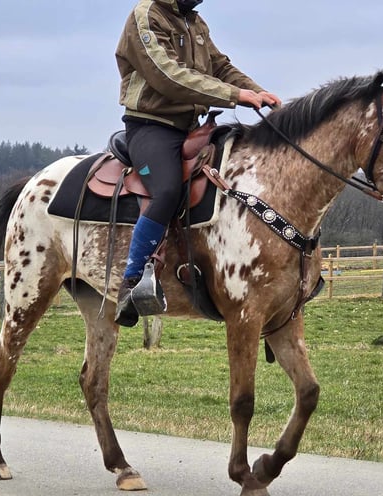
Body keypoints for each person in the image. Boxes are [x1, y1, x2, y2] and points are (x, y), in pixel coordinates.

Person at [114, 0, 281, 327]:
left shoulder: (195, 22)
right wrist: (235, 96)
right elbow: (168, 76)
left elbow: (220, 66)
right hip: (151, 127)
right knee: (166, 190)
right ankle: (131, 282)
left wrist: (259, 93)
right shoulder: (146, 16)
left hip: (193, 127)